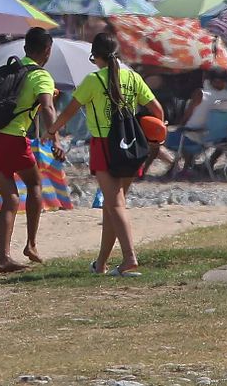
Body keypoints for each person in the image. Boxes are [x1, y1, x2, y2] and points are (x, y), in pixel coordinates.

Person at [48, 31, 165, 277]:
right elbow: (157, 110)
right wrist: (153, 135)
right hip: (131, 144)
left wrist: (51, 130)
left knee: (114, 204)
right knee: (112, 206)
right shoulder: (133, 77)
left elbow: (69, 111)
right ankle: (101, 263)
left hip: (104, 145)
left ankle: (130, 258)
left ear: (95, 56)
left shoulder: (93, 80)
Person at [0, 26, 58, 274]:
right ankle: (31, 245)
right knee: (34, 184)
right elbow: (47, 108)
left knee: (11, 198)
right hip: (11, 140)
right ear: (47, 50)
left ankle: (3, 258)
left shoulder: (9, 69)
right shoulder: (41, 76)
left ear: (25, 48)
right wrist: (55, 138)